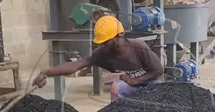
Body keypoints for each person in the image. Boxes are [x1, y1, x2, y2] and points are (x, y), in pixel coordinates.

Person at [33, 15, 164, 101]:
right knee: (117, 88)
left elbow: (158, 71)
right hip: (132, 85)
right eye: (101, 42)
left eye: (106, 41)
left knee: (157, 96)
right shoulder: (103, 53)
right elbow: (78, 64)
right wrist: (46, 72)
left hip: (152, 82)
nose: (103, 45)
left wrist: (136, 80)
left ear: (118, 36)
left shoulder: (139, 47)